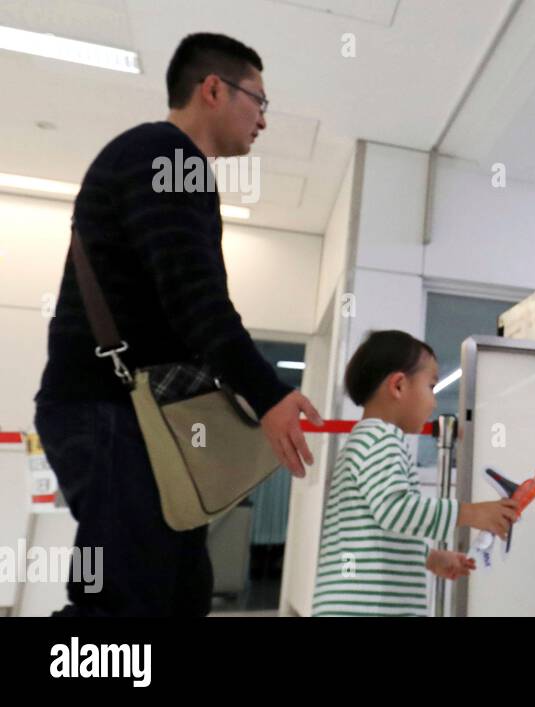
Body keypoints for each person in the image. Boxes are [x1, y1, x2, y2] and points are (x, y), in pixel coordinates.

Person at [33, 33, 322, 617]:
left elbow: (187, 303)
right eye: (259, 100)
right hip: (112, 411)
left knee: (179, 594)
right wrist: (268, 393)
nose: (264, 120)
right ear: (213, 88)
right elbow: (197, 300)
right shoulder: (166, 156)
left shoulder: (165, 162)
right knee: (122, 606)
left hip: (131, 415)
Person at [312, 330, 518, 616]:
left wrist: (430, 558)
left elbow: (376, 530)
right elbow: (395, 510)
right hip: (371, 608)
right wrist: (471, 513)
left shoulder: (366, 439)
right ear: (398, 386)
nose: (433, 402)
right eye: (431, 387)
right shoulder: (382, 440)